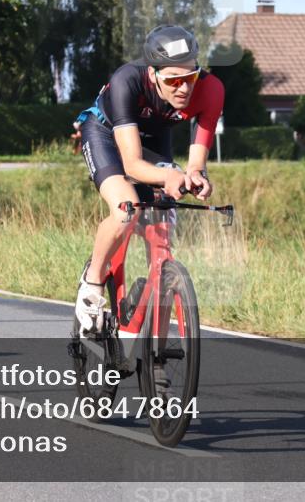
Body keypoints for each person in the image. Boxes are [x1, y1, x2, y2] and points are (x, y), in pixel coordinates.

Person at [73, 25, 225, 336]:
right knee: (126, 210)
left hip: (156, 138)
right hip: (106, 135)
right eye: (173, 80)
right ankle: (92, 283)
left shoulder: (212, 90)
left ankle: (155, 350)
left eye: (191, 77)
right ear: (153, 74)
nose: (184, 88)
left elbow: (196, 162)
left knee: (163, 226)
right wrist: (169, 175)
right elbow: (132, 163)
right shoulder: (127, 80)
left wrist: (194, 176)